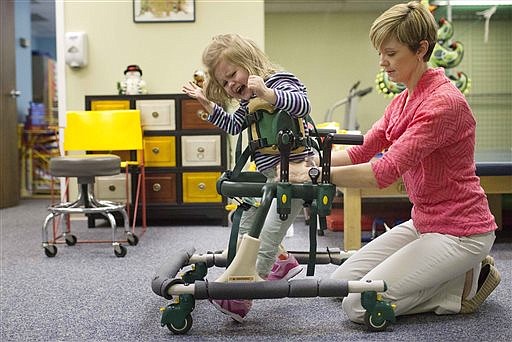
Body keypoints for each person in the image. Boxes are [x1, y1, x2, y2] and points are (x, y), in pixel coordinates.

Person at [291, 0, 501, 325]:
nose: (382, 63)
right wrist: (311, 161)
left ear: (421, 49)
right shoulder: (404, 99)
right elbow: (365, 148)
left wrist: (317, 176)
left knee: (358, 305)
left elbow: (385, 170)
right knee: (340, 283)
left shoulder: (443, 105)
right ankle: (447, 277)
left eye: (391, 54)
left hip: (460, 232)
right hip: (423, 222)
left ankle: (459, 290)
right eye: (380, 54)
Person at [182, 33, 314, 322]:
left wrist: (268, 94)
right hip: (270, 176)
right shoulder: (246, 103)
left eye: (232, 74)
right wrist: (207, 103)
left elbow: (303, 105)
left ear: (248, 60)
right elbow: (232, 126)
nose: (231, 84)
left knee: (267, 234)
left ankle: (245, 294)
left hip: (297, 175)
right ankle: (283, 263)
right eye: (224, 82)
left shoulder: (279, 81)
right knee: (247, 224)